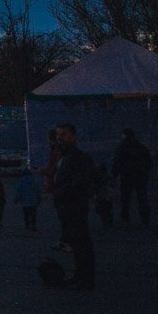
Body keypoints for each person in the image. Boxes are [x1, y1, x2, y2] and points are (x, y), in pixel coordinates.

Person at [52, 123, 95, 290]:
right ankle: (80, 276)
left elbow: (79, 183)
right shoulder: (66, 156)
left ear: (73, 136)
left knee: (82, 244)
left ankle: (85, 279)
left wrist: (63, 196)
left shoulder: (77, 157)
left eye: (63, 134)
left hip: (74, 206)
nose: (59, 137)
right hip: (68, 205)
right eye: (58, 134)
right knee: (77, 245)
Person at [111, 128, 152, 227]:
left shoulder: (121, 147)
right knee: (142, 198)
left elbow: (117, 162)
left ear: (124, 135)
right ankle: (145, 219)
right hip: (140, 176)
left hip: (126, 176)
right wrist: (144, 171)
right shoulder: (141, 147)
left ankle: (125, 219)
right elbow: (148, 161)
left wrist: (114, 175)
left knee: (125, 199)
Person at [14, 164, 42, 231]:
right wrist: (39, 199)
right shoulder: (34, 182)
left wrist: (16, 200)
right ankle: (33, 226)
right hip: (33, 202)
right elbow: (38, 191)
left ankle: (27, 225)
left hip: (25, 202)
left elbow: (19, 193)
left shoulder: (21, 182)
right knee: (33, 215)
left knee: (26, 215)